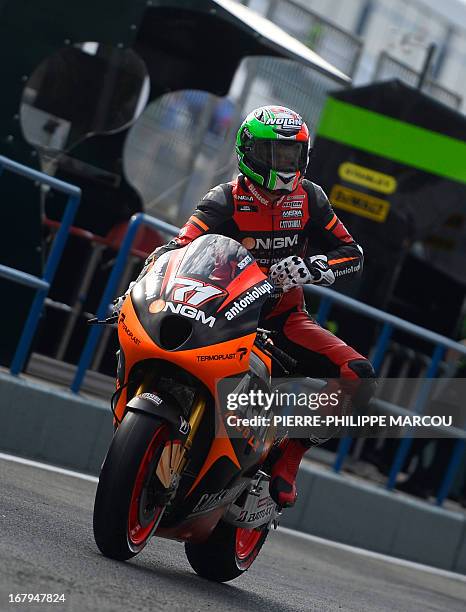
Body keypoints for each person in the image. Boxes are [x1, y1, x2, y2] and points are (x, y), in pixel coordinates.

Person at [118, 105, 377, 507]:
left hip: (283, 317)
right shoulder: (224, 198)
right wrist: (143, 283)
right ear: (250, 151)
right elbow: (180, 246)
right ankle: (135, 412)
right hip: (223, 309)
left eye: (293, 154)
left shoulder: (310, 197)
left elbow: (353, 252)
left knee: (359, 373)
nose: (286, 165)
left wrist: (315, 266)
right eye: (276, 154)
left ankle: (289, 457)